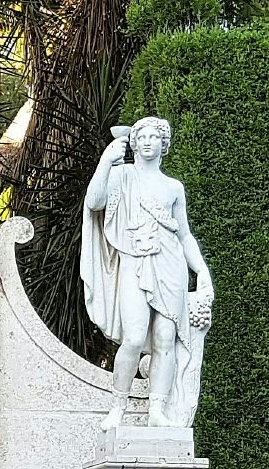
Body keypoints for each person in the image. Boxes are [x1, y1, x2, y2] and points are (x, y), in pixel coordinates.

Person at [80, 116, 214, 429]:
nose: (148, 142)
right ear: (134, 143)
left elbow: (184, 236)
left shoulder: (173, 188)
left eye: (155, 137)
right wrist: (105, 161)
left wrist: (202, 271)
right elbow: (94, 201)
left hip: (169, 266)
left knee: (165, 339)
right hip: (134, 260)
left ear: (163, 144)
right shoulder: (121, 175)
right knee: (135, 336)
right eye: (142, 137)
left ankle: (157, 409)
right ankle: (118, 406)